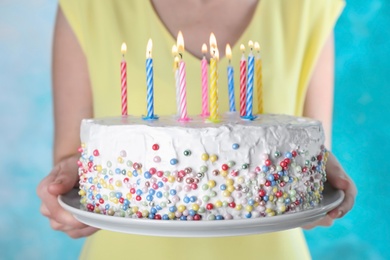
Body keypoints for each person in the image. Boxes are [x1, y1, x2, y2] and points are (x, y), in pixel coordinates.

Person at [37, 0, 357, 259]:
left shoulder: (307, 6)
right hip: (124, 250)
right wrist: (65, 184)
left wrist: (322, 181)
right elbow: (72, 155)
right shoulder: (88, 6)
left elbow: (314, 147)